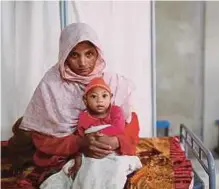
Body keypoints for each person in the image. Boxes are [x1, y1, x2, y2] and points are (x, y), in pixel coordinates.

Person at [7, 22, 140, 187]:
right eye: (74, 55)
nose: (83, 63)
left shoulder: (114, 82)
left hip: (106, 147)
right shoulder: (51, 84)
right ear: (64, 56)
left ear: (98, 53)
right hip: (66, 151)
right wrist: (79, 144)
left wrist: (117, 141)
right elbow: (41, 137)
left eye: (89, 54)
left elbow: (131, 122)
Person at [39, 77, 142, 189]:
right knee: (86, 171)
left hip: (112, 151)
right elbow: (81, 137)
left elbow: (118, 129)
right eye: (93, 96)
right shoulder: (84, 116)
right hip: (91, 154)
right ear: (85, 100)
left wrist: (98, 134)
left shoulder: (115, 111)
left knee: (116, 168)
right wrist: (78, 156)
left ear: (111, 98)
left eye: (104, 96)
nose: (100, 100)